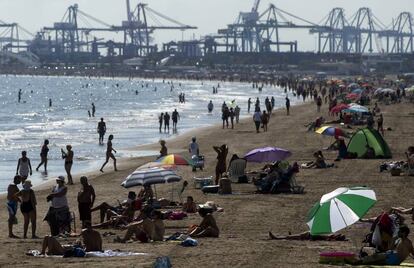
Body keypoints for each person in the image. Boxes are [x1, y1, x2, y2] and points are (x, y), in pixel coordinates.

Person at [268, 231, 346, 241]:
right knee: (293, 237)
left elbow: (322, 237)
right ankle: (291, 236)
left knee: (289, 237)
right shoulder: (330, 237)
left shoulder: (330, 237)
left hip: (309, 236)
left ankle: (276, 238)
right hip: (310, 234)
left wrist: (334, 236)